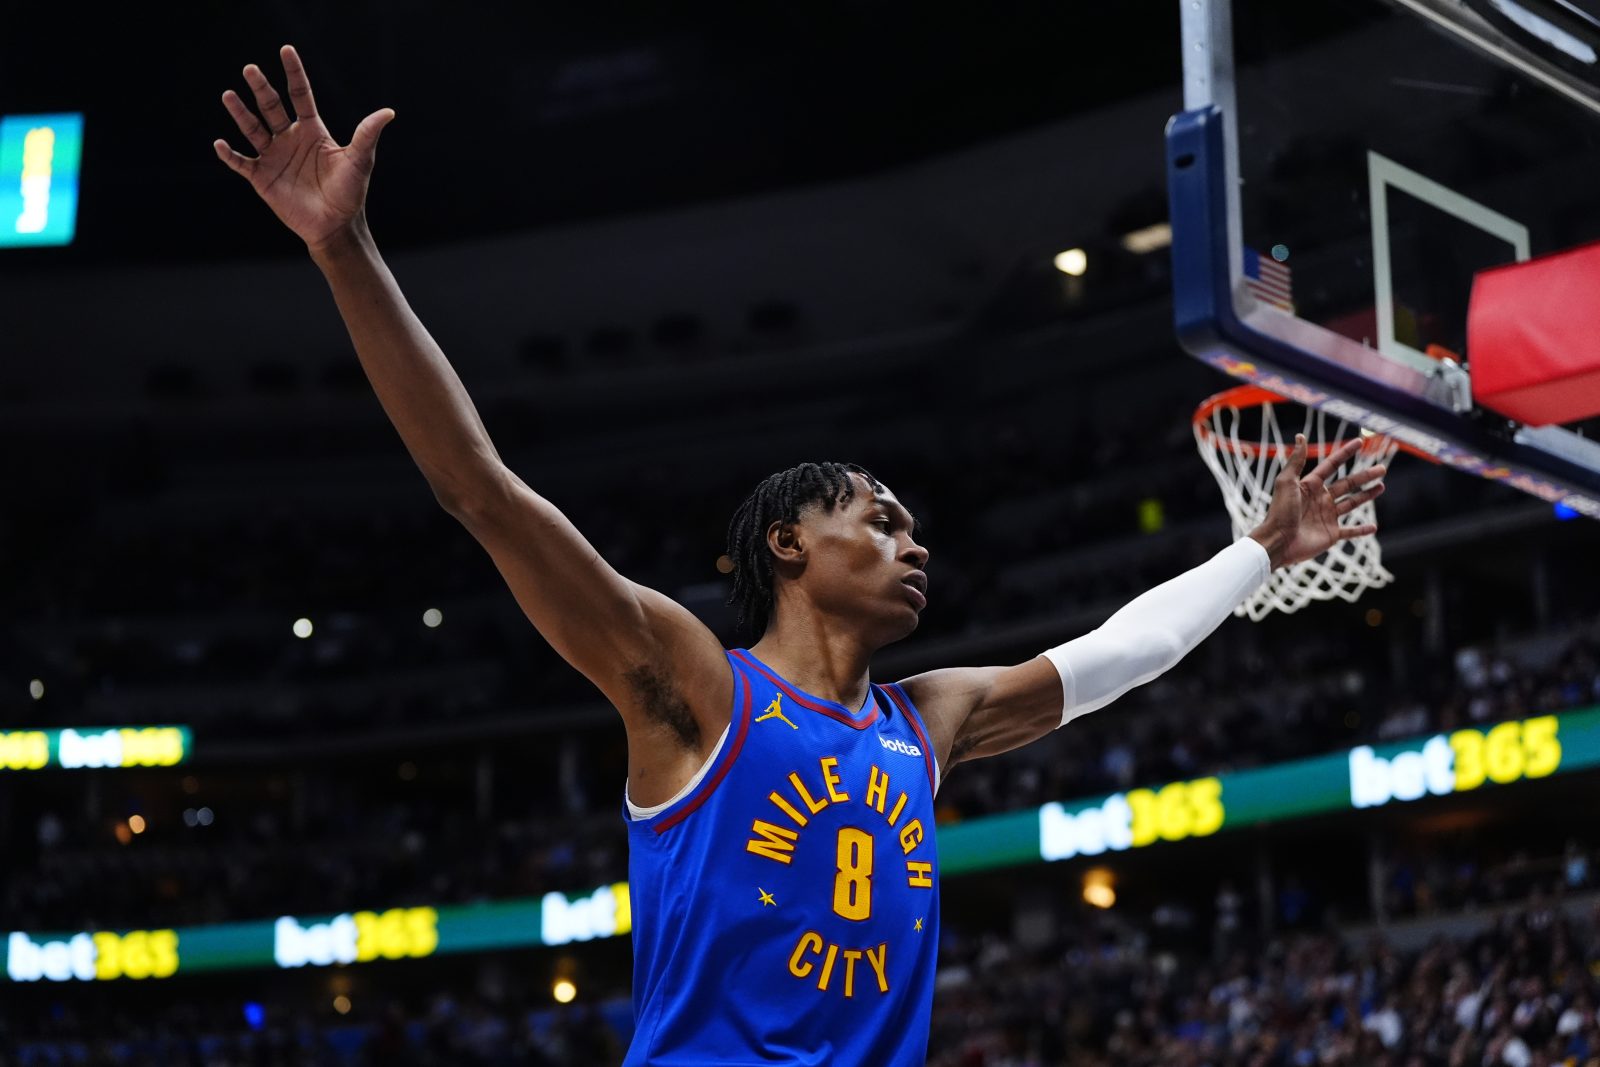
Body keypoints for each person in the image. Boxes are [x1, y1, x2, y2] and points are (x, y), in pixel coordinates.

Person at [215, 46, 1386, 1066]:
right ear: (787, 543)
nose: (911, 539)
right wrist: (346, 248)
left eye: (912, 526)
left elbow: (1122, 653)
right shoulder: (694, 683)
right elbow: (478, 488)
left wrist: (1258, 552)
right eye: (878, 518)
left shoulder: (923, 721)